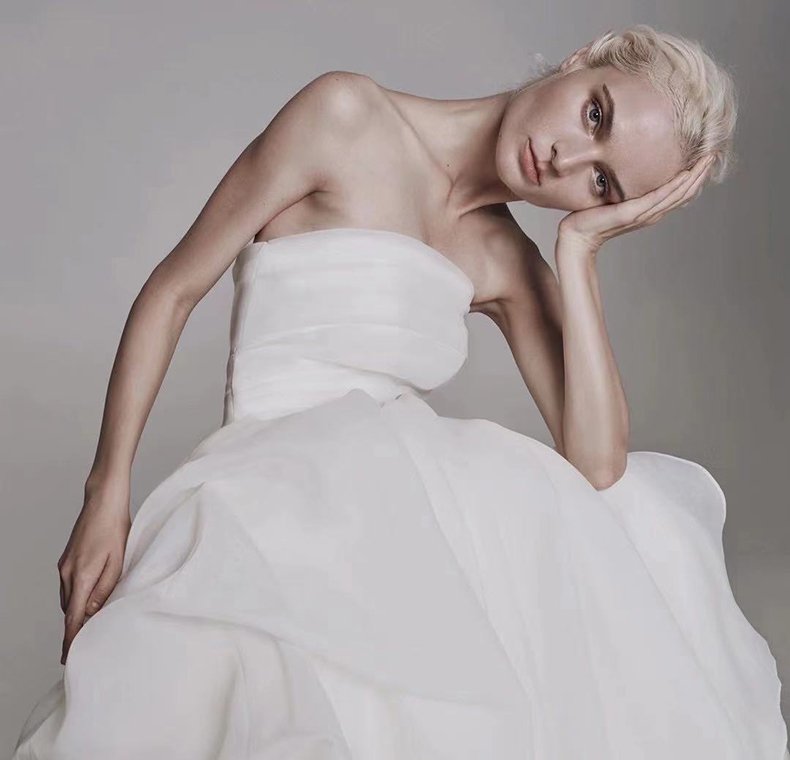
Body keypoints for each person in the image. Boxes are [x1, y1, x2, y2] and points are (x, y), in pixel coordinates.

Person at [13, 24, 789, 760]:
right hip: (260, 499)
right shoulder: (346, 116)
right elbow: (174, 289)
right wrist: (106, 492)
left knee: (625, 528)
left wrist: (578, 254)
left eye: (601, 181)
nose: (566, 159)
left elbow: (598, 466)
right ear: (583, 59)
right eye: (595, 114)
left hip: (388, 539)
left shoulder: (505, 260)